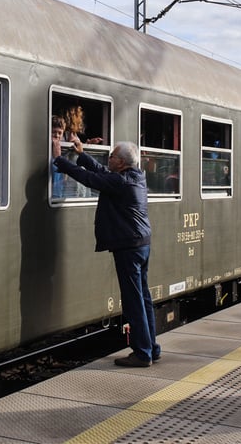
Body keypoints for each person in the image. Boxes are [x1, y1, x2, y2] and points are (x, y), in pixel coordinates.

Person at [52, 135, 160, 367]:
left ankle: (142, 353)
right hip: (141, 243)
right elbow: (101, 171)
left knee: (134, 300)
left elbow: (90, 178)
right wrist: (81, 154)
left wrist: (59, 159)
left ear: (120, 163)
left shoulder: (121, 182)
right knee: (143, 296)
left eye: (111, 156)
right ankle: (152, 346)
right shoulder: (133, 177)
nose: (108, 159)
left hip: (129, 247)